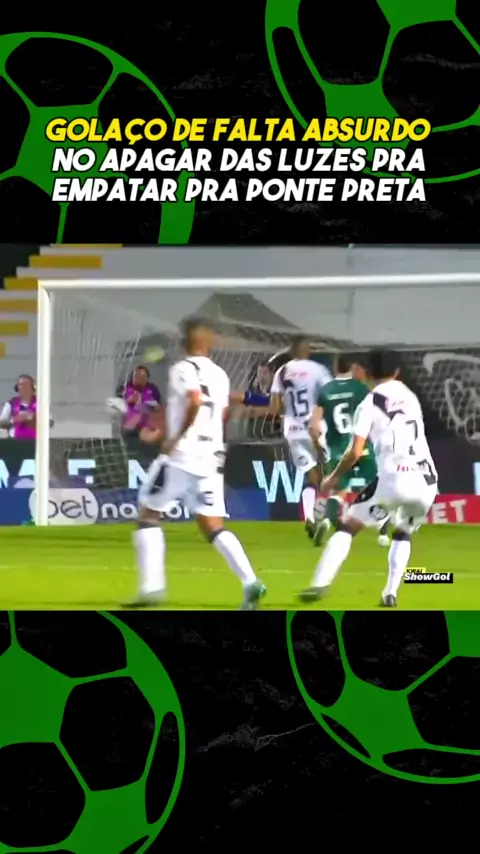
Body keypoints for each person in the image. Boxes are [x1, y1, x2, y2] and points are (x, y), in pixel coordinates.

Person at [128, 316, 266, 610]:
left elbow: (193, 400)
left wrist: (174, 437)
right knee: (212, 525)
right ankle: (250, 582)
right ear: (209, 343)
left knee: (148, 515)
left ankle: (151, 589)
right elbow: (220, 413)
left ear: (184, 343)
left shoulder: (182, 369)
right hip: (211, 457)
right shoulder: (220, 374)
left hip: (182, 455)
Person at [300, 348, 438, 607]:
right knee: (403, 531)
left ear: (368, 373)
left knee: (348, 526)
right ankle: (390, 593)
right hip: (426, 482)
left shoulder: (369, 402)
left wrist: (333, 479)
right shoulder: (411, 398)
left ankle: (318, 583)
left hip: (393, 479)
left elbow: (355, 452)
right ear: (397, 372)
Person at [309, 354, 390, 548]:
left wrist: (318, 446)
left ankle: (327, 521)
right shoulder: (360, 388)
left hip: (337, 449)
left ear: (335, 367)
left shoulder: (326, 390)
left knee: (339, 491)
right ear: (352, 368)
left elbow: (314, 426)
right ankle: (383, 532)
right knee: (376, 488)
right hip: (361, 446)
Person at [270, 336, 332, 537]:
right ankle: (326, 515)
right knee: (330, 470)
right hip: (316, 426)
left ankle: (309, 516)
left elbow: (275, 406)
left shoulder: (282, 372)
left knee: (310, 474)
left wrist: (287, 413)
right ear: (307, 350)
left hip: (293, 430)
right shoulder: (318, 369)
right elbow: (329, 396)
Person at [118, 365, 162, 435]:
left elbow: (158, 407)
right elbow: (116, 406)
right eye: (136, 377)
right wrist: (129, 400)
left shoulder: (153, 389)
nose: (138, 380)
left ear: (147, 379)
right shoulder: (125, 388)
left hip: (146, 429)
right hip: (128, 428)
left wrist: (147, 405)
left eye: (141, 378)